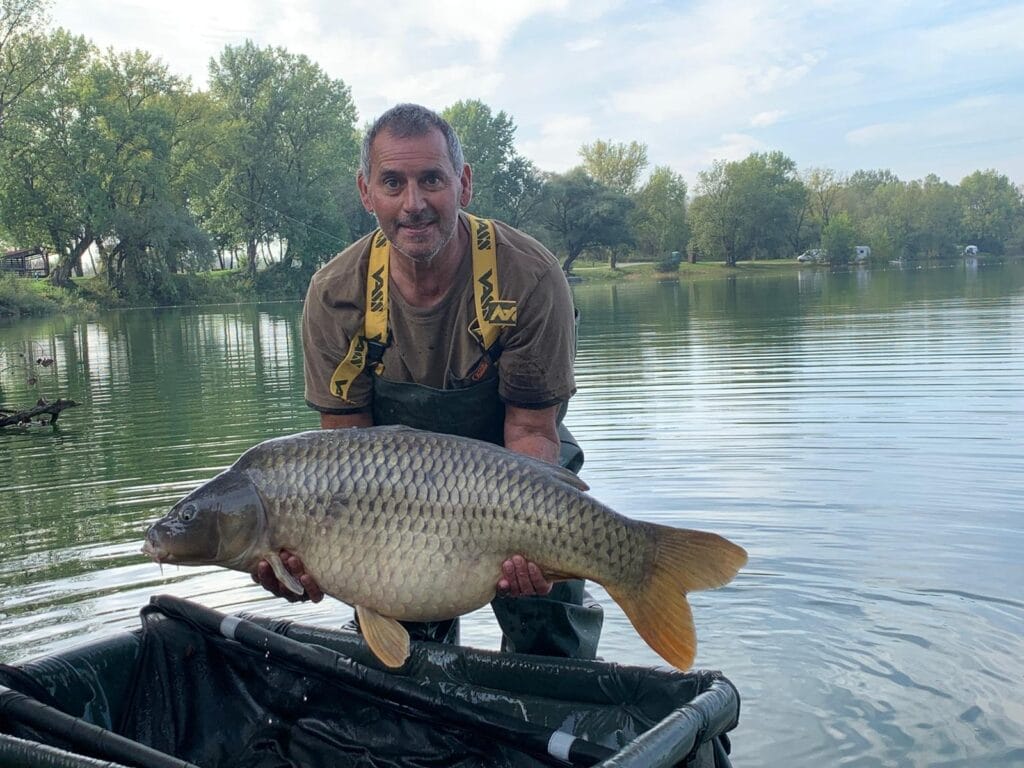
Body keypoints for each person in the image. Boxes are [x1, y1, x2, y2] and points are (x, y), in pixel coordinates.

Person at [253, 103, 602, 659]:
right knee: (402, 655)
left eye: (431, 180)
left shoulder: (530, 276)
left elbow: (533, 429)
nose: (413, 204)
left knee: (549, 634)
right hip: (389, 494)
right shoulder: (335, 295)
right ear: (367, 192)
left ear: (462, 183)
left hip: (517, 471)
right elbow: (341, 459)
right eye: (393, 182)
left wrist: (538, 540)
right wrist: (316, 559)